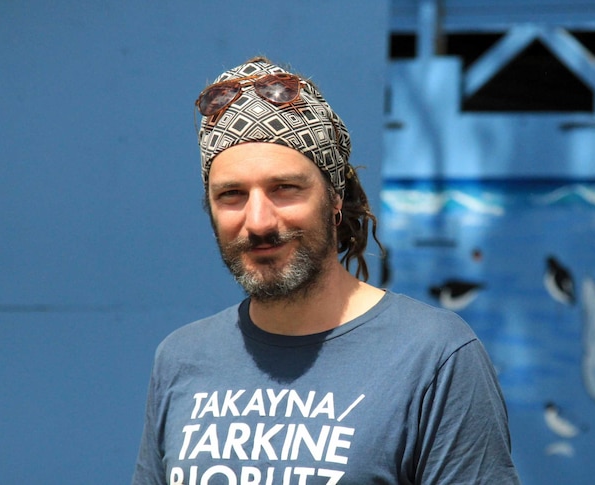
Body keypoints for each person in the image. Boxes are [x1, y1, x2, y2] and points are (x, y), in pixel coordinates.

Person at [132, 56, 520, 484]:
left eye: (285, 188)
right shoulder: (181, 358)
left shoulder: (433, 357)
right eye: (232, 195)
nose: (258, 221)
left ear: (335, 200)